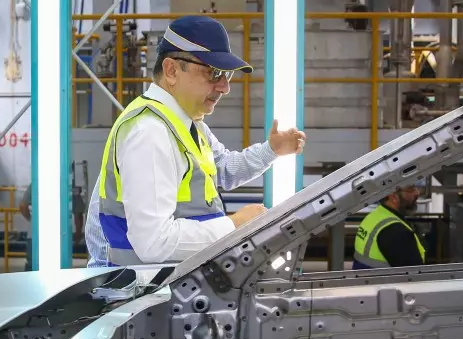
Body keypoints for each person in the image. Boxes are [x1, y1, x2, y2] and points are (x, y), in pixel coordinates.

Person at [84, 15, 306, 267]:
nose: (224, 87)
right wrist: (234, 225)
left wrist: (271, 150)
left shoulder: (188, 124)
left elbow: (225, 169)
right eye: (214, 73)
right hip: (140, 286)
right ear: (171, 71)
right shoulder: (150, 132)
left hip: (167, 283)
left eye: (226, 75)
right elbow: (154, 243)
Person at [353, 182, 426, 269]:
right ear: (394, 197)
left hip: (366, 276)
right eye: (411, 189)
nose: (417, 192)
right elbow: (414, 274)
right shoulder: (398, 233)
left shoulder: (373, 216)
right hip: (382, 278)